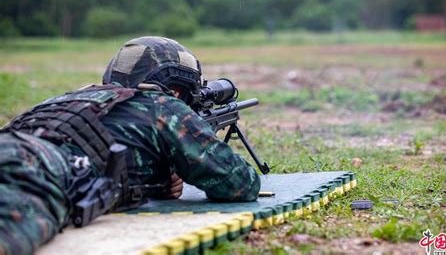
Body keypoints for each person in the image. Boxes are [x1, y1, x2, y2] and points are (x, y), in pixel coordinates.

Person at [0, 36, 261, 255]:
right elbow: (239, 183)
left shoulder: (68, 98)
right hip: (37, 169)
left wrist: (159, 177)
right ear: (177, 92)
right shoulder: (163, 106)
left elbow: (106, 151)